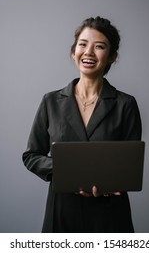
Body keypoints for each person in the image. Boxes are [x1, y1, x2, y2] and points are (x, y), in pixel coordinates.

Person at [22, 16, 142, 233]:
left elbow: (129, 167)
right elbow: (31, 156)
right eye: (83, 44)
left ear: (112, 57)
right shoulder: (50, 101)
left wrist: (104, 187)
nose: (89, 52)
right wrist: (70, 170)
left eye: (99, 47)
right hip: (61, 212)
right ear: (73, 52)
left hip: (109, 215)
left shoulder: (126, 104)